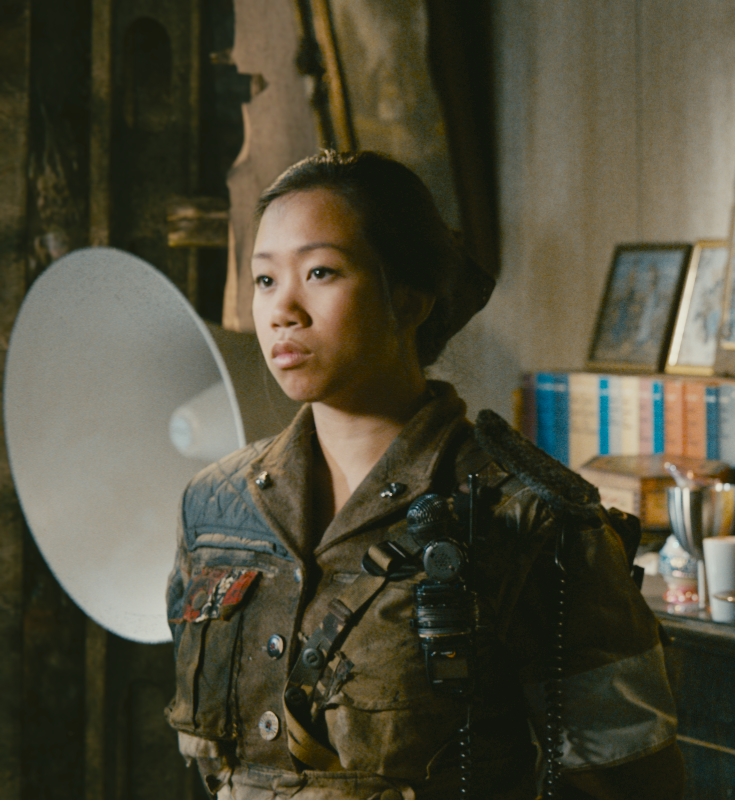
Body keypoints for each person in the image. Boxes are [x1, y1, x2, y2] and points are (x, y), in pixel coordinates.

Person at [164, 150, 685, 799]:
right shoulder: (216, 508)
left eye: (321, 271)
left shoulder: (525, 517)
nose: (283, 310)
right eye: (265, 279)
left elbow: (627, 782)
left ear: (409, 300)